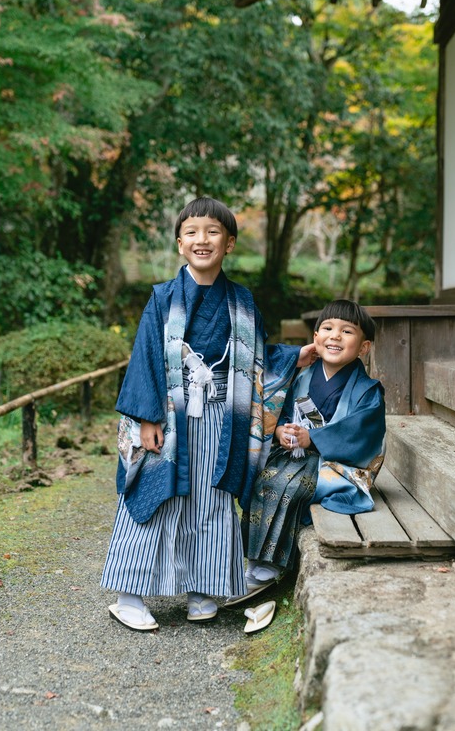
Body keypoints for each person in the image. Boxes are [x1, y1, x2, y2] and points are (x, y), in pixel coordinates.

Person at [100, 196, 312, 631]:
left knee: (212, 499)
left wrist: (294, 357)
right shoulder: (162, 298)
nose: (202, 239)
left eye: (213, 232)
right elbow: (145, 356)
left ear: (228, 243)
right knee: (157, 496)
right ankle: (129, 596)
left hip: (223, 416)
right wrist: (146, 418)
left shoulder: (242, 301)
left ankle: (202, 589)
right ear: (180, 244)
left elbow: (257, 356)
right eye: (192, 232)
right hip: (169, 414)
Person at [229, 299, 386, 606]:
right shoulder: (302, 377)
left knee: (286, 484)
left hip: (339, 465)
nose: (335, 336)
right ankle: (250, 558)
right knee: (260, 475)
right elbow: (282, 413)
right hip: (298, 456)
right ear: (315, 338)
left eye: (347, 331)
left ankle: (269, 565)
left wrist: (312, 438)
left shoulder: (368, 390)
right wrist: (281, 432)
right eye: (327, 328)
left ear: (364, 347)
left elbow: (361, 435)